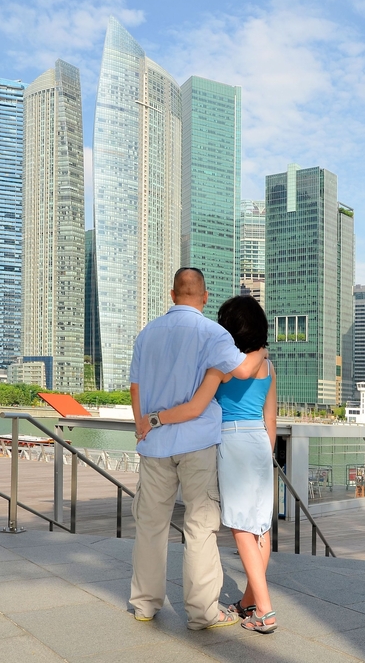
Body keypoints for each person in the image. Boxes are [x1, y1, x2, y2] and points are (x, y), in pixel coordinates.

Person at [129, 269, 266, 630]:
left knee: (151, 526)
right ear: (204, 298)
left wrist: (142, 425)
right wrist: (263, 350)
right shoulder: (213, 333)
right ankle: (203, 612)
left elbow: (135, 387)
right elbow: (242, 371)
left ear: (172, 294)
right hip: (198, 443)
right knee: (200, 527)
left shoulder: (147, 334)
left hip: (154, 443)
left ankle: (144, 603)